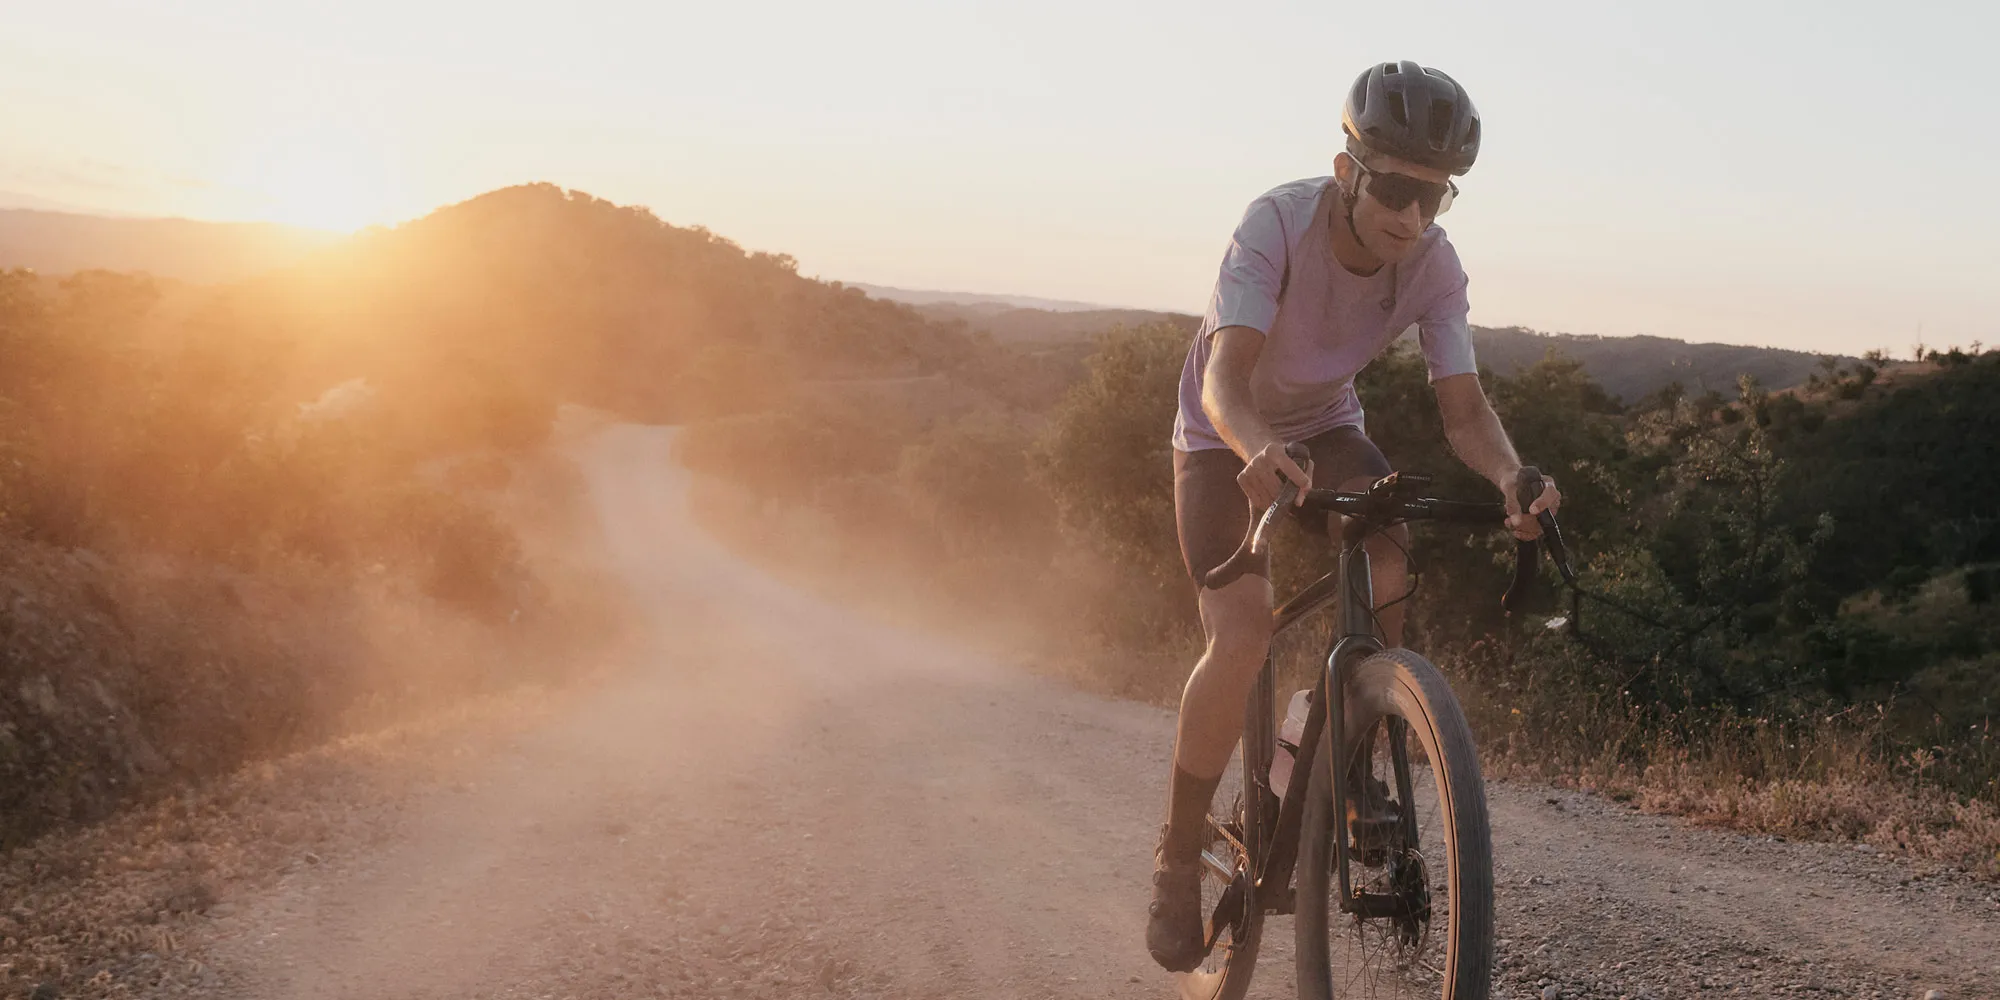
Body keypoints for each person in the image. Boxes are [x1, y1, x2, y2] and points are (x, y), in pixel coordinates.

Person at [1146, 60, 1563, 972]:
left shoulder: (1435, 267)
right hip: (1223, 435)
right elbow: (1225, 379)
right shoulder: (1275, 225)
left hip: (1328, 425)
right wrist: (1254, 446)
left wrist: (1510, 477)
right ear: (1349, 170)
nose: (1412, 217)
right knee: (1243, 631)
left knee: (1389, 560)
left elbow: (1463, 412)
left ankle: (1346, 733)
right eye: (1397, 188)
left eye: (1437, 197)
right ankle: (1178, 856)